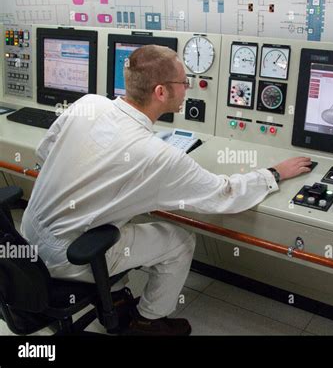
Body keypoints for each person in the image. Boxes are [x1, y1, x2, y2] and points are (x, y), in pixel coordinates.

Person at [20, 45, 312, 336]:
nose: (187, 89)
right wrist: (274, 173)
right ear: (161, 92)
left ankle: (116, 296)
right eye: (184, 83)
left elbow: (45, 153)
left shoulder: (90, 103)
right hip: (66, 257)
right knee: (180, 240)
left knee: (121, 221)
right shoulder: (158, 156)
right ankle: (148, 321)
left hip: (28, 233)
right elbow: (225, 194)